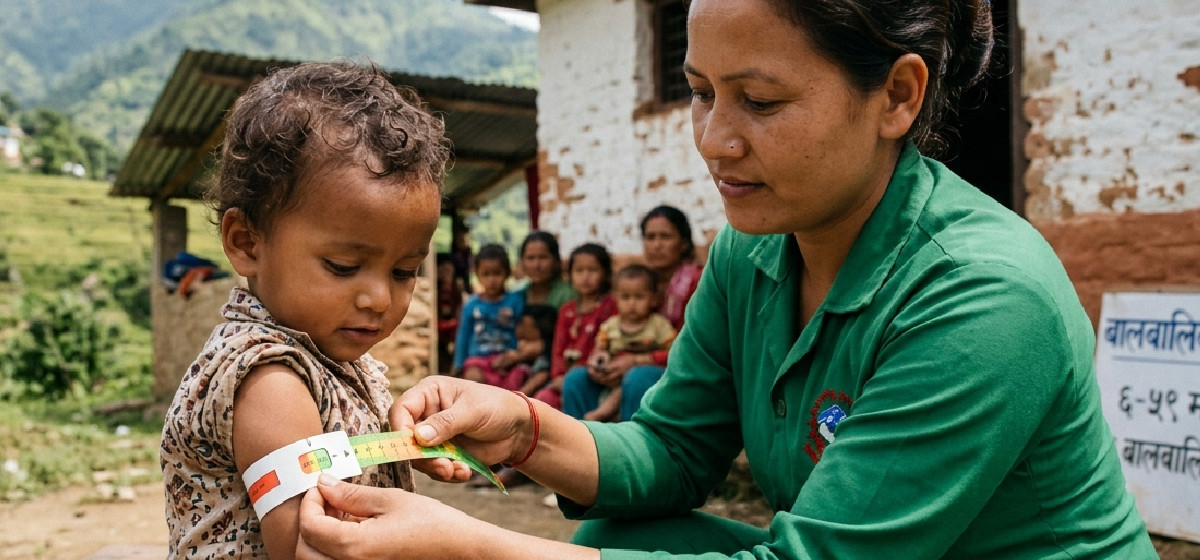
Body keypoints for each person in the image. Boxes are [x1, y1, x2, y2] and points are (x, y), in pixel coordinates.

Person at [296, 0, 1160, 558]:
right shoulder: (755, 250)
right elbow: (671, 454)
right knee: (630, 528)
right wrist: (518, 426)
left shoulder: (981, 296)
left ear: (897, 96)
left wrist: (472, 549)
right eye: (702, 91)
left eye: (761, 101)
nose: (713, 138)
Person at [158, 60, 450, 560]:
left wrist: (398, 453)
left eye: (404, 271)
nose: (379, 297)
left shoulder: (327, 357)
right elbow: (310, 548)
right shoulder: (271, 380)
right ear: (246, 241)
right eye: (342, 266)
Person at [561, 205, 701, 420]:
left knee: (638, 377)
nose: (656, 245)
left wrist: (636, 361)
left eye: (665, 237)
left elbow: (691, 347)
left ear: (683, 243)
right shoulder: (635, 281)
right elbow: (614, 330)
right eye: (650, 237)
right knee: (576, 378)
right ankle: (581, 447)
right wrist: (602, 358)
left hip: (678, 367)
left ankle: (631, 450)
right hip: (625, 364)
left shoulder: (697, 283)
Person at [582, 264, 677, 422]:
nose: (632, 303)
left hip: (638, 377)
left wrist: (640, 360)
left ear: (653, 299)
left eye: (639, 297)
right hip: (611, 375)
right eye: (626, 297)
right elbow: (599, 350)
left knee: (629, 380)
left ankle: (604, 413)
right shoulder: (611, 325)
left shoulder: (658, 325)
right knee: (577, 377)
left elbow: (674, 352)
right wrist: (600, 362)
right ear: (616, 298)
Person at [539, 243, 617, 412]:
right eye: (579, 271)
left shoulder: (610, 306)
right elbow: (558, 348)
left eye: (593, 270)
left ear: (605, 274)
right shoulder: (567, 310)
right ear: (570, 275)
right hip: (564, 378)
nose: (585, 277)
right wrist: (558, 375)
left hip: (594, 377)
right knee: (543, 400)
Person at [452, 243, 524, 384]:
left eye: (497, 273)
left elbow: (522, 331)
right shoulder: (471, 305)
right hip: (477, 361)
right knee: (474, 380)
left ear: (507, 273)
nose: (492, 280)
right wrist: (458, 365)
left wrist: (517, 355)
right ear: (477, 275)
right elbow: (463, 335)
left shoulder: (515, 301)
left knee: (516, 380)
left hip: (507, 360)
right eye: (486, 274)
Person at [517, 230, 576, 309]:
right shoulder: (518, 293)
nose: (536, 265)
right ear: (522, 262)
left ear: (556, 261)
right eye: (530, 258)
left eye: (543, 258)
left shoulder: (568, 295)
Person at [435, 252, 463, 374]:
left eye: (449, 271)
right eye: (443, 271)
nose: (447, 275)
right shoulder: (434, 289)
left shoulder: (455, 289)